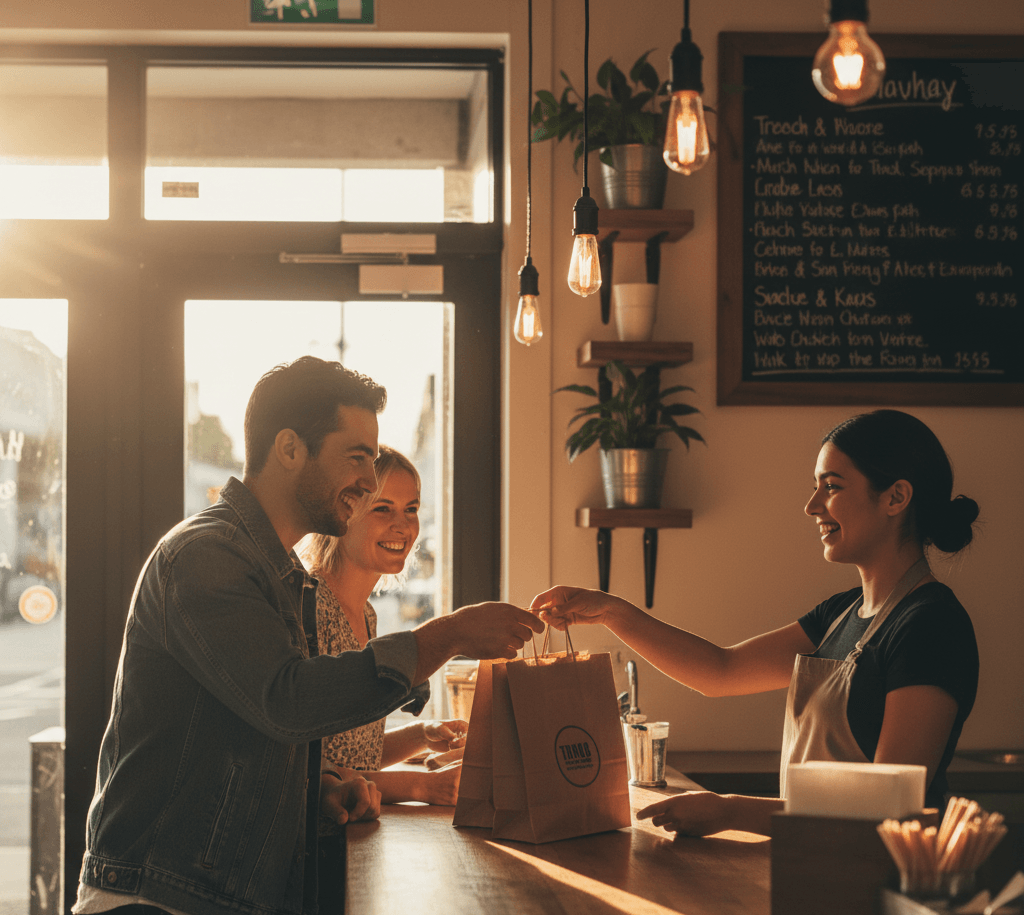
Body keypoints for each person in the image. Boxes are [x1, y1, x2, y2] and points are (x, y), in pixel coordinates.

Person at [74, 356, 543, 915]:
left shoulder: (277, 574)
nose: (368, 481)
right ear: (291, 448)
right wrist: (446, 636)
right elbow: (286, 700)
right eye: (357, 458)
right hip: (157, 899)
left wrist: (316, 789)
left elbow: (257, 735)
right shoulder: (206, 556)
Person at [532, 409, 979, 837]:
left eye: (832, 486)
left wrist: (730, 810)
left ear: (896, 497)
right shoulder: (840, 613)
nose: (811, 505)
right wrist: (612, 611)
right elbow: (720, 671)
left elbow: (891, 808)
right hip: (813, 866)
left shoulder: (931, 626)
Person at [299, 444, 466, 806]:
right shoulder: (309, 606)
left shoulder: (366, 614)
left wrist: (422, 734)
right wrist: (423, 786)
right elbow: (307, 768)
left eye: (411, 509)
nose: (403, 525)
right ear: (342, 514)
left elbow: (352, 755)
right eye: (382, 508)